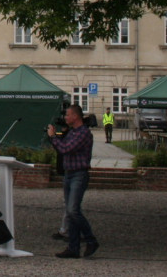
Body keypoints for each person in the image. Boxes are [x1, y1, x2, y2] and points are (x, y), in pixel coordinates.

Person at [47, 104, 99, 258]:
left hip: (79, 174)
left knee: (73, 210)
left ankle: (91, 240)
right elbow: (63, 147)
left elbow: (65, 149)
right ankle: (73, 247)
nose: (65, 118)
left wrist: (52, 137)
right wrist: (58, 136)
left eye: (68, 115)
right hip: (69, 174)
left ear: (76, 116)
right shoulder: (72, 132)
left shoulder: (83, 133)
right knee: (71, 213)